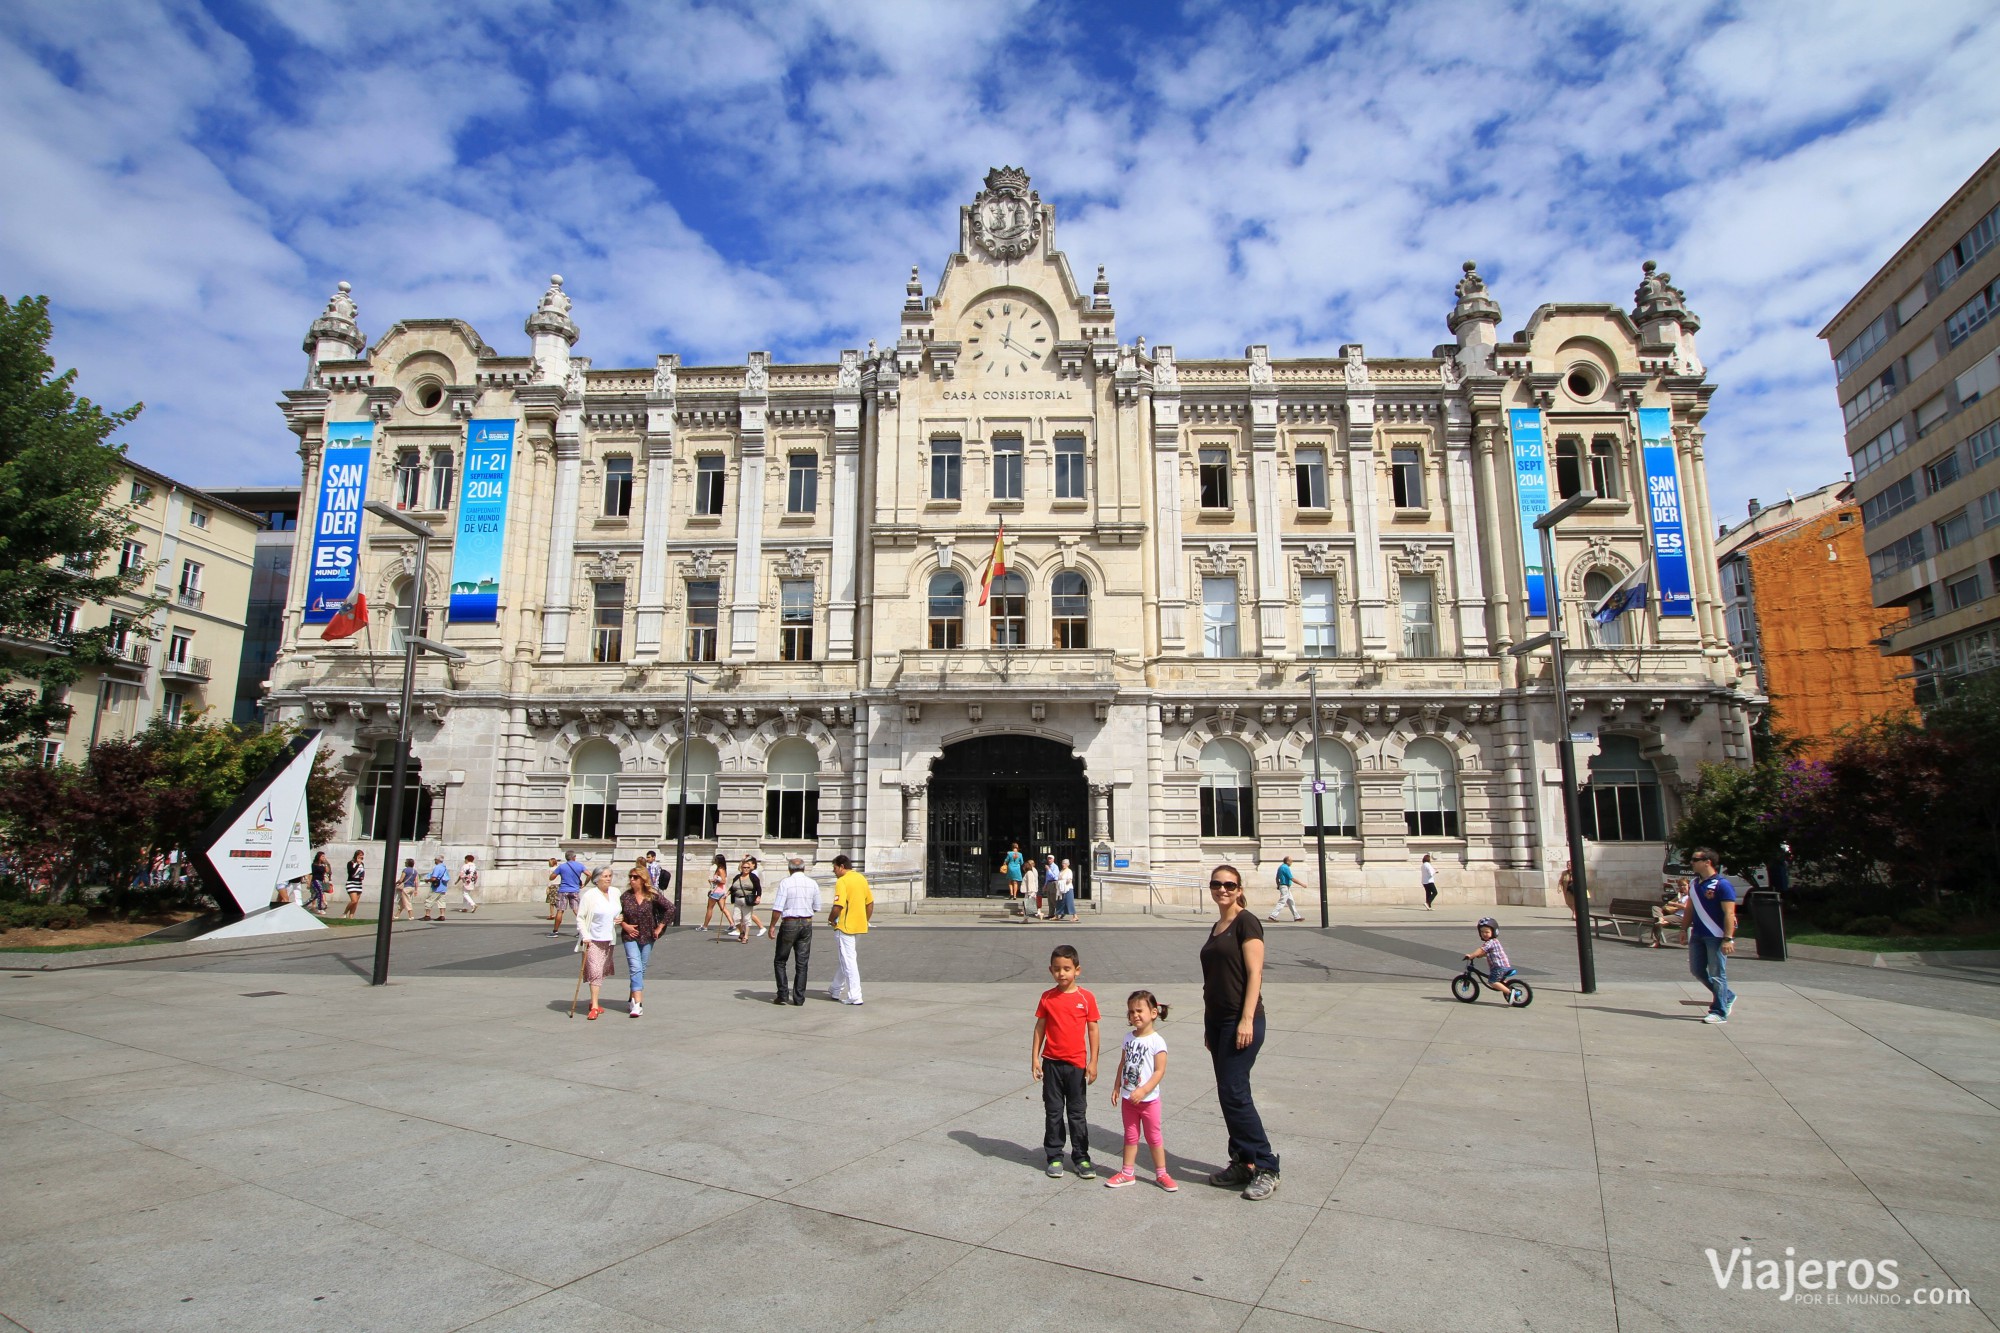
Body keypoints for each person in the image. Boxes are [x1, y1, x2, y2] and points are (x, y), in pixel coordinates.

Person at [1201, 864, 1280, 1200]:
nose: (1223, 890)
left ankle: (1267, 1165)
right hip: (1218, 1022)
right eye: (1217, 884)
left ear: (1239, 888)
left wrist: (1246, 1019)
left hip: (1241, 1020)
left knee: (1234, 1092)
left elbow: (1255, 973)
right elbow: (1213, 982)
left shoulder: (1247, 921)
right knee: (1228, 1092)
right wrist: (1209, 1026)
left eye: (1229, 885)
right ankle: (1243, 1160)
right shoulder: (1218, 925)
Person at [1031, 944, 1099, 1179]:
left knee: (1077, 1114)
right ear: (1051, 970)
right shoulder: (1047, 997)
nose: (1062, 974)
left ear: (1077, 970)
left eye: (1067, 969)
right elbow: (1040, 1027)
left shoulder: (1086, 998)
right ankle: (1055, 1156)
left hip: (1076, 1065)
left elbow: (1093, 1030)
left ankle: (1081, 1157)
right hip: (1051, 1063)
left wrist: (1093, 1062)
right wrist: (1035, 1059)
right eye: (1057, 969)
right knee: (1053, 1111)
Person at [1105, 989, 1175, 1191]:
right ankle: (1127, 1173)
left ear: (1153, 1013)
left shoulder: (1157, 1041)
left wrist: (1143, 1091)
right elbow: (1123, 1063)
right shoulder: (1128, 1038)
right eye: (1131, 1012)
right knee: (1130, 1135)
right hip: (1129, 1099)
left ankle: (1161, 1174)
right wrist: (1117, 1086)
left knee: (1154, 1137)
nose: (1135, 1015)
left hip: (1149, 1101)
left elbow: (1159, 1071)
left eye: (1139, 1011)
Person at [1680, 849, 1738, 1024]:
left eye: (1695, 859)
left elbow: (1729, 913)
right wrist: (1683, 929)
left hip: (1716, 935)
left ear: (1708, 862)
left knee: (1717, 973)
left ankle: (1719, 1011)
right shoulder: (1695, 884)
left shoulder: (1722, 885)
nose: (1692, 862)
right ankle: (1727, 995)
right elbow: (1689, 908)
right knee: (1697, 970)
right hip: (1698, 934)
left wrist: (1728, 938)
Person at [620, 864, 670, 1018]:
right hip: (630, 936)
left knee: (640, 968)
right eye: (630, 877)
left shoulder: (652, 895)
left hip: (648, 936)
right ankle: (638, 1004)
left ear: (643, 879)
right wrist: (625, 926)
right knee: (635, 967)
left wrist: (660, 927)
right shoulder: (625, 896)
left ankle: (632, 996)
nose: (632, 879)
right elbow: (617, 915)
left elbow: (671, 908)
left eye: (635, 877)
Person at [767, 855, 819, 1005]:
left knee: (780, 960)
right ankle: (799, 997)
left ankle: (783, 994)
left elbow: (778, 907)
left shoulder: (786, 883)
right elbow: (817, 906)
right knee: (802, 962)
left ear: (789, 869)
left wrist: (772, 926)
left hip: (790, 922)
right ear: (804, 868)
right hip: (806, 922)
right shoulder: (812, 883)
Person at [827, 853, 873, 1006]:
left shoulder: (842, 881)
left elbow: (838, 905)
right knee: (846, 957)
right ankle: (835, 988)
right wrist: (865, 920)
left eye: (834, 868)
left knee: (848, 961)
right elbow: (870, 903)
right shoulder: (861, 878)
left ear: (841, 867)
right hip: (859, 925)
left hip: (845, 926)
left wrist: (831, 919)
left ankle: (855, 995)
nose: (834, 871)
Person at [576, 868, 619, 1020]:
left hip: (609, 938)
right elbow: (581, 917)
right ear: (596, 879)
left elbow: (617, 912)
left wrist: (619, 918)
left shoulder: (615, 892)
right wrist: (585, 936)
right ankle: (594, 1005)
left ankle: (594, 1002)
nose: (608, 879)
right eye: (605, 876)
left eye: (610, 876)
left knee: (601, 970)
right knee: (594, 971)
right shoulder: (589, 895)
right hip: (593, 939)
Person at [1463, 916, 1519, 997]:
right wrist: (1479, 956)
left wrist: (1471, 955)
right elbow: (1486, 953)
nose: (1484, 934)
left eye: (1487, 932)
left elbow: (1481, 949)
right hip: (1505, 966)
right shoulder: (1494, 942)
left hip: (1499, 968)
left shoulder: (1490, 942)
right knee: (1499, 981)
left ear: (1493, 932)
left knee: (1492, 982)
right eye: (1482, 932)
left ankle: (1510, 993)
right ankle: (1508, 987)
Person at [728, 856, 764, 942]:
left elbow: (758, 888)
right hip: (737, 899)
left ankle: (746, 937)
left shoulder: (753, 877)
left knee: (747, 919)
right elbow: (732, 887)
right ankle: (742, 932)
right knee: (736, 918)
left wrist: (758, 897)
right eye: (744, 867)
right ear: (741, 868)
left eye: (748, 868)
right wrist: (726, 894)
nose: (746, 869)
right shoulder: (737, 877)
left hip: (747, 900)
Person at [554, 849, 588, 935]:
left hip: (563, 890)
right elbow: (589, 874)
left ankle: (555, 931)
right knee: (577, 911)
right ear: (574, 857)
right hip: (574, 890)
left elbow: (551, 877)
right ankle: (582, 931)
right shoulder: (580, 866)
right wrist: (585, 884)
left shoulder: (562, 866)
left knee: (560, 910)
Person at [1650, 878, 1690, 948]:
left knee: (1656, 921)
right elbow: (1667, 905)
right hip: (1674, 913)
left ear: (1688, 885)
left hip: (1681, 916)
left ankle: (1656, 941)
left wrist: (1673, 903)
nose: (1682, 887)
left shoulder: (1690, 896)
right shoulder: (1680, 896)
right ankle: (1661, 919)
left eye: (1684, 885)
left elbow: (1685, 907)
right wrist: (1677, 899)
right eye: (1680, 886)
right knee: (1655, 908)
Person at [699, 853, 731, 932]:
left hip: (716, 892)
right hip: (720, 891)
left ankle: (705, 926)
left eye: (715, 859)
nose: (714, 860)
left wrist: (713, 880)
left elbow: (723, 881)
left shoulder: (720, 869)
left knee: (710, 908)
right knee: (723, 908)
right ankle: (732, 924)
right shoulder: (721, 869)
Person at [1269, 857, 1302, 922]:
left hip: (1284, 887)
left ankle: (1297, 917)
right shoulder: (1286, 868)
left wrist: (1278, 884)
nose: (1292, 863)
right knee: (1282, 902)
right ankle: (1272, 916)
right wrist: (1301, 884)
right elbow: (1291, 878)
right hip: (1285, 887)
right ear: (1287, 861)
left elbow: (1277, 877)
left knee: (1291, 902)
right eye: (1291, 861)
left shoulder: (1280, 867)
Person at [422, 855, 450, 920]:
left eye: (435, 859)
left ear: (437, 860)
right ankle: (442, 915)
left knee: (429, 900)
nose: (434, 861)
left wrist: (427, 880)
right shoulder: (444, 867)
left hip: (436, 887)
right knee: (442, 901)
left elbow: (434, 878)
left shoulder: (437, 867)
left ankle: (427, 915)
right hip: (443, 887)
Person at [343, 850, 367, 918]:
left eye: (362, 855)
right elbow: (351, 873)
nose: (361, 857)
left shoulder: (362, 864)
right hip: (351, 883)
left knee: (356, 902)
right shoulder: (350, 863)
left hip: (358, 883)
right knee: (354, 900)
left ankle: (351, 916)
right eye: (360, 855)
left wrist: (362, 876)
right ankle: (344, 913)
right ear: (356, 855)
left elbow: (362, 872)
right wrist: (358, 864)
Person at [1005, 842, 1026, 914]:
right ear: (1018, 847)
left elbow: (1006, 860)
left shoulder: (1009, 853)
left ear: (1012, 847)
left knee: (1010, 881)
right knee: (1015, 882)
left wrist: (1005, 863)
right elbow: (1022, 862)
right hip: (1017, 868)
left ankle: (1011, 894)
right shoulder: (1020, 854)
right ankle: (1015, 895)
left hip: (1010, 867)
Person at [544, 857, 563, 933]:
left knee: (551, 901)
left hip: (553, 885)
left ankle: (552, 914)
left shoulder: (551, 870)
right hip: (559, 885)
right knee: (557, 900)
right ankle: (558, 912)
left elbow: (550, 879)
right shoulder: (560, 868)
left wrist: (548, 887)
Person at [1039, 854, 1060, 920]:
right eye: (1048, 858)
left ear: (1053, 859)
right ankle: (1051, 914)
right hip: (1049, 883)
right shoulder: (1049, 866)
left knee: (1053, 899)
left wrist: (1048, 870)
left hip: (1053, 883)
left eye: (1050, 858)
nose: (1049, 860)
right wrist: (1045, 885)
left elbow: (1054, 876)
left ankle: (1058, 914)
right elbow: (1047, 877)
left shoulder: (1055, 867)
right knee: (1049, 900)